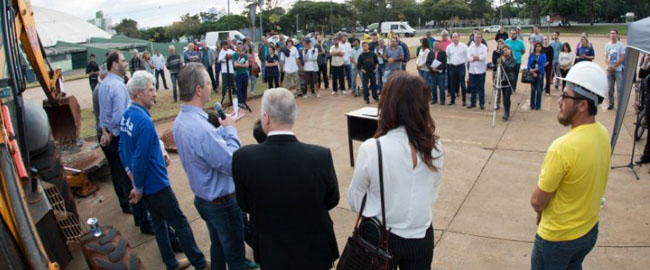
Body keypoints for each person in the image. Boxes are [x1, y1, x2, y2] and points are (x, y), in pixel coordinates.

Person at [232, 88, 340, 270]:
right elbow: (332, 199)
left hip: (271, 250)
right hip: (314, 247)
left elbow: (244, 204)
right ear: (294, 116)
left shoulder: (243, 158)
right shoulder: (320, 156)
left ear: (265, 118)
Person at [348, 72, 443, 270]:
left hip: (382, 236)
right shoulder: (435, 146)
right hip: (422, 235)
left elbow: (355, 200)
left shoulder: (373, 148)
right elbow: (433, 192)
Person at [120, 71, 209, 270]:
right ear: (138, 93)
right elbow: (139, 159)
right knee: (181, 224)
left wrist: (133, 178)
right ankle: (200, 263)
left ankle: (170, 262)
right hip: (155, 185)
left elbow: (123, 150)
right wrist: (139, 186)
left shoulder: (127, 115)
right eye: (151, 89)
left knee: (159, 224)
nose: (155, 93)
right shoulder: (143, 122)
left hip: (144, 184)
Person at [173, 63, 256, 270]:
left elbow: (204, 150)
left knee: (218, 246)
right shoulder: (201, 129)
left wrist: (222, 129)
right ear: (199, 90)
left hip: (204, 199)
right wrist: (230, 131)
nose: (212, 86)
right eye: (209, 83)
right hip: (222, 204)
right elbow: (231, 163)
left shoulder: (181, 121)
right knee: (235, 256)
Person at [530, 61, 610, 270]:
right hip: (588, 232)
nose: (559, 101)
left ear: (583, 105)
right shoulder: (602, 133)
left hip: (558, 239)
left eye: (565, 95)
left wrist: (540, 209)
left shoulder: (562, 147)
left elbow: (537, 201)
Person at [98, 51, 152, 234]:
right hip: (119, 136)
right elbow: (120, 117)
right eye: (122, 61)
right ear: (114, 65)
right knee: (132, 177)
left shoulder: (104, 84)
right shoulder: (119, 87)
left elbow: (102, 113)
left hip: (109, 135)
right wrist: (112, 133)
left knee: (118, 173)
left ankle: (128, 206)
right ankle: (142, 218)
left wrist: (104, 131)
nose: (126, 63)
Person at [605, 29, 626, 110]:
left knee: (619, 88)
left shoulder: (620, 45)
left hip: (618, 69)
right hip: (609, 69)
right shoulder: (607, 45)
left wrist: (615, 65)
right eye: (611, 33)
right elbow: (606, 57)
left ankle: (620, 105)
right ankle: (611, 104)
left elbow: (622, 57)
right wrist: (609, 66)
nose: (612, 35)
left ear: (617, 35)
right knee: (610, 88)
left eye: (614, 33)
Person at [446, 33, 469, 106]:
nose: (454, 38)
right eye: (453, 37)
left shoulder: (464, 46)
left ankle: (464, 100)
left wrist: (463, 64)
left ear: (459, 37)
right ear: (451, 38)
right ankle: (452, 100)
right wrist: (450, 65)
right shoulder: (449, 47)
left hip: (461, 67)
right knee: (452, 84)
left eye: (456, 37)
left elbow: (467, 57)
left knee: (462, 84)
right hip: (452, 67)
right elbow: (448, 57)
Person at [467, 33, 488, 110]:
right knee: (473, 87)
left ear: (481, 39)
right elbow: (468, 58)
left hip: (481, 71)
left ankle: (482, 103)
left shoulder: (484, 47)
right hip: (472, 71)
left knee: (481, 88)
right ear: (474, 38)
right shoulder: (470, 47)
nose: (477, 39)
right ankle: (473, 103)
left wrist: (474, 57)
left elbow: (484, 57)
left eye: (479, 37)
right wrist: (478, 57)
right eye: (476, 37)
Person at [500, 45, 518, 121]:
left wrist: (504, 62)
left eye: (506, 50)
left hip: (510, 79)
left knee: (507, 96)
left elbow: (510, 68)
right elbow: (497, 67)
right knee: (504, 96)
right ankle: (505, 110)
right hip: (503, 79)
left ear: (510, 50)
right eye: (504, 50)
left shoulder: (513, 59)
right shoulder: (502, 58)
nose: (505, 51)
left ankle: (507, 113)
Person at [528, 43, 547, 110]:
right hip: (532, 73)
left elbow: (542, 65)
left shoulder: (543, 55)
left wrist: (535, 70)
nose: (538, 48)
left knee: (539, 89)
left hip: (540, 73)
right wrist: (532, 71)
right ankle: (532, 105)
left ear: (541, 48)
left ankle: (538, 105)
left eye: (539, 46)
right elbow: (529, 64)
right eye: (536, 46)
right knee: (533, 89)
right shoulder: (531, 55)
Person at [429, 40, 447, 106]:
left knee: (441, 87)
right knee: (433, 87)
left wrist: (438, 68)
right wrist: (431, 68)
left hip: (440, 73)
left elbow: (445, 63)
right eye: (434, 44)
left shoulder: (443, 53)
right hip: (433, 73)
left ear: (439, 45)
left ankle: (442, 100)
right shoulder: (430, 53)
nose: (435, 46)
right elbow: (428, 62)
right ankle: (434, 99)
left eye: (437, 44)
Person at [416, 38, 434, 102]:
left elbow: (425, 60)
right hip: (420, 69)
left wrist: (420, 65)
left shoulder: (427, 50)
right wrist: (417, 64)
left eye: (421, 42)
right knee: (421, 83)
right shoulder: (421, 49)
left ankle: (429, 95)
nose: (420, 43)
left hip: (425, 69)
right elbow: (418, 58)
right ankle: (423, 95)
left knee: (427, 83)